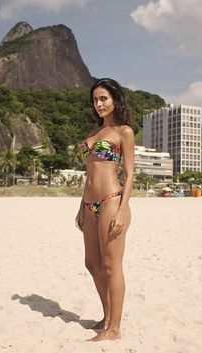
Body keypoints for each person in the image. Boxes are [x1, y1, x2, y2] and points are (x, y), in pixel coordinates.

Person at [75, 78, 134, 342]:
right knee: (92, 263)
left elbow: (130, 174)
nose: (99, 104)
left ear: (115, 100)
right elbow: (89, 173)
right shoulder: (93, 133)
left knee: (111, 266)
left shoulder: (124, 132)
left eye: (104, 99)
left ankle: (114, 329)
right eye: (95, 100)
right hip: (89, 204)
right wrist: (80, 206)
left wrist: (123, 209)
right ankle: (107, 316)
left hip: (111, 200)